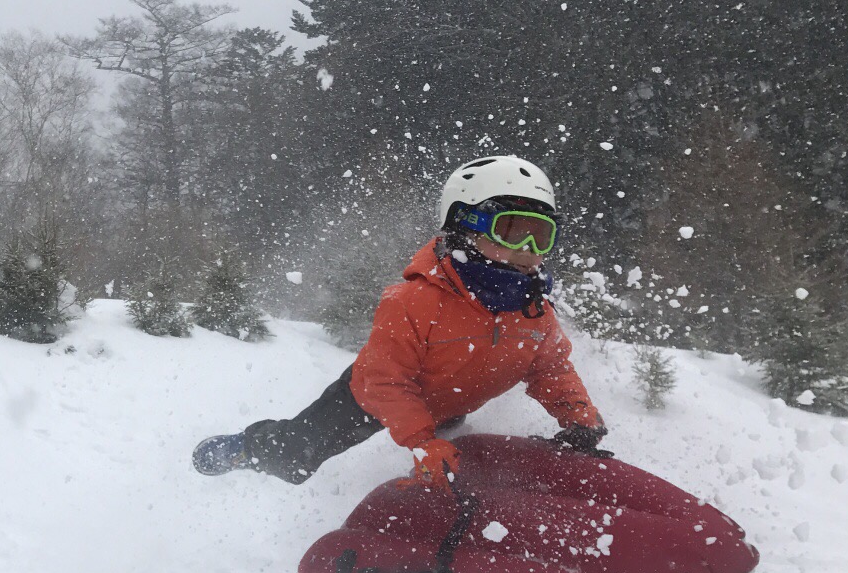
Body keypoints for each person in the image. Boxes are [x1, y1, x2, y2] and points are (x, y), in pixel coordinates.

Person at [192, 155, 606, 489]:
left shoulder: (534, 309)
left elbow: (550, 367)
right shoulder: (414, 301)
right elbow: (385, 381)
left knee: (454, 470)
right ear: (466, 224)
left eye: (542, 235)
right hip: (371, 396)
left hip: (451, 403)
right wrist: (421, 441)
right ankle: (253, 447)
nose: (529, 249)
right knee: (298, 459)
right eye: (513, 231)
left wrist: (578, 416)